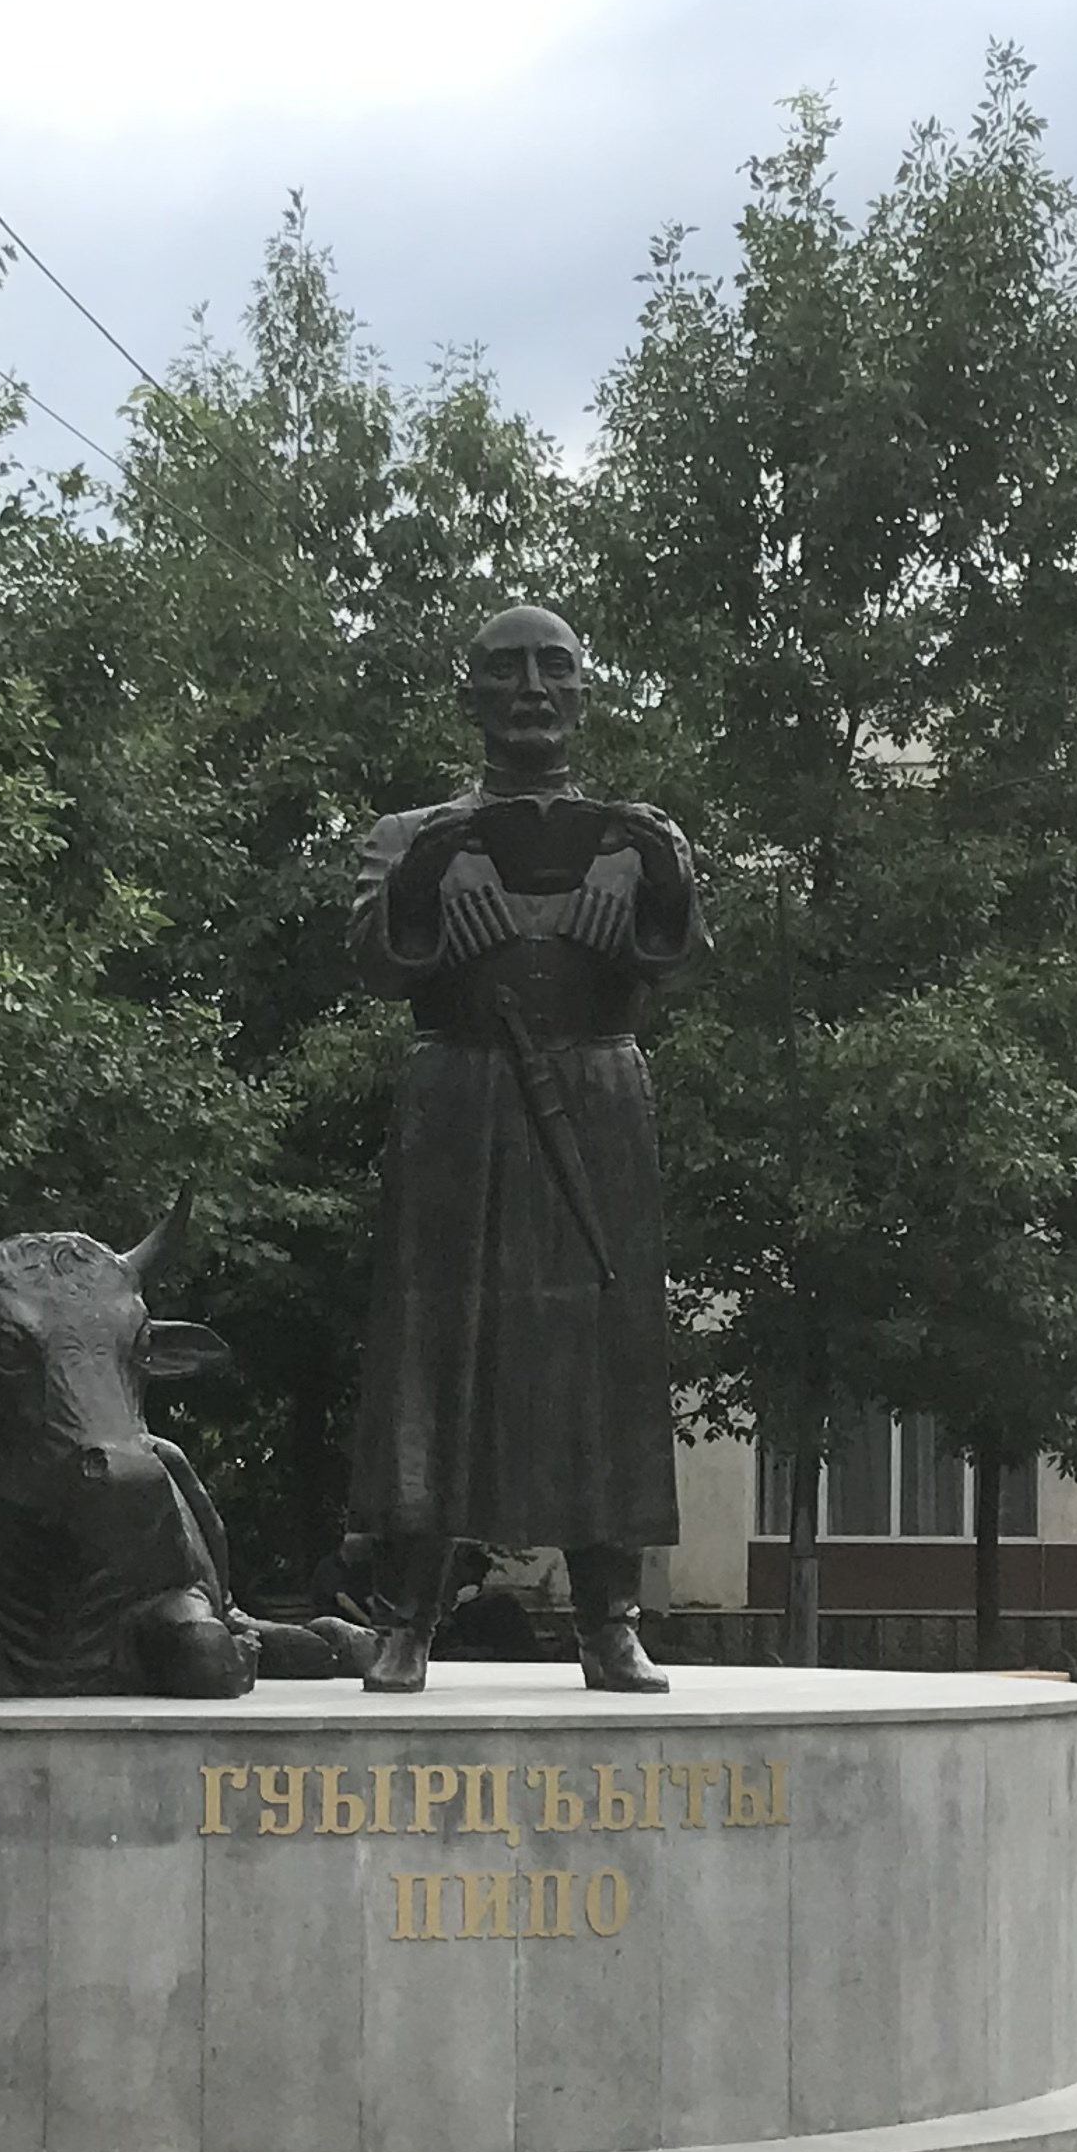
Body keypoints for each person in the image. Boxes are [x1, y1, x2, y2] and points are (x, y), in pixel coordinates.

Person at [349, 604, 699, 1693]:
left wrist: (660, 869)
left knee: (608, 1346)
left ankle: (609, 1619)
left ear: (586, 691)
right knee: (433, 1342)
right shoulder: (406, 833)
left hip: (599, 1094)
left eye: (555, 667)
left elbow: (679, 955)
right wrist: (426, 874)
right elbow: (373, 961)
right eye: (506, 670)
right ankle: (407, 1618)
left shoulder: (640, 836)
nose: (533, 689)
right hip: (458, 1096)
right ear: (471, 695)